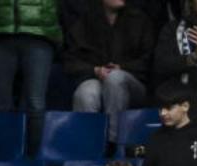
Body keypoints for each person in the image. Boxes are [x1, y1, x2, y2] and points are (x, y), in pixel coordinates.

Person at [64, 0, 156, 152]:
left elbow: (150, 60)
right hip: (95, 77)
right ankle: (88, 150)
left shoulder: (140, 20)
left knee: (114, 78)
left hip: (133, 85)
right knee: (86, 92)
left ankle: (113, 144)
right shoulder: (85, 22)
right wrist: (95, 70)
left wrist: (123, 67)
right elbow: (70, 60)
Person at [0, 0, 62, 152]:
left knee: (35, 103)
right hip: (0, 30)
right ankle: (3, 159)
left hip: (40, 31)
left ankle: (31, 160)